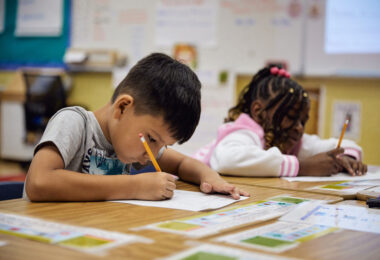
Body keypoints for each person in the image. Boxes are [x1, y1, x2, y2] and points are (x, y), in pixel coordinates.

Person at [25, 53, 249, 201]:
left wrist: (210, 177)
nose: (151, 155)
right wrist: (133, 186)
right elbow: (39, 182)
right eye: (151, 139)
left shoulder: (135, 143)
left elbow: (181, 163)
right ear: (123, 107)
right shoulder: (74, 122)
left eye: (162, 144)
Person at [194, 66, 367, 177]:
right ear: (258, 111)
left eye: (303, 121)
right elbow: (227, 159)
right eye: (290, 117)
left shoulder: (293, 142)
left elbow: (348, 145)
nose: (299, 128)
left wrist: (346, 157)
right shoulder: (245, 132)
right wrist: (302, 167)